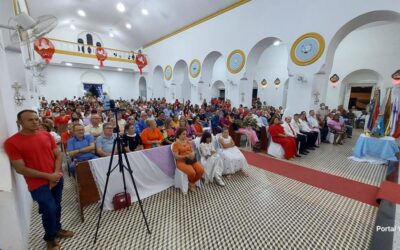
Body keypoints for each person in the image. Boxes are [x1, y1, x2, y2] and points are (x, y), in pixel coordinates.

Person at [4, 110, 74, 250]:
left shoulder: (46, 135)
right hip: (37, 183)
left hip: (56, 176)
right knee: (49, 208)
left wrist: (55, 173)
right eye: (30, 120)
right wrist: (49, 177)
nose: (35, 122)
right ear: (19, 123)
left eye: (36, 119)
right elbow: (20, 168)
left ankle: (57, 228)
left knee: (57, 205)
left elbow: (58, 155)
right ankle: (50, 238)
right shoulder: (12, 142)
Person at [172, 128, 205, 192]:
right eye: (183, 134)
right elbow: (176, 157)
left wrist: (192, 154)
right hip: (181, 161)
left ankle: (191, 182)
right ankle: (192, 184)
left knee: (201, 170)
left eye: (185, 134)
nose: (185, 135)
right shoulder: (175, 144)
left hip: (191, 159)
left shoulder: (188, 142)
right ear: (179, 135)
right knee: (192, 172)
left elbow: (192, 150)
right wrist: (185, 156)